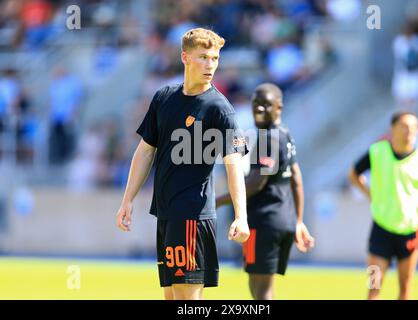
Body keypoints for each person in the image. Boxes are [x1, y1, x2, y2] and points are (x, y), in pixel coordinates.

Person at [116, 28, 250, 300]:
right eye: (203, 57)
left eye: (214, 58)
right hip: (166, 214)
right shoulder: (164, 98)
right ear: (185, 58)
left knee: (187, 302)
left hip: (192, 215)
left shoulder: (219, 108)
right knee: (171, 298)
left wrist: (241, 216)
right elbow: (145, 151)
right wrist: (127, 198)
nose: (210, 64)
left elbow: (234, 162)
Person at [216, 83, 315, 300]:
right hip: (283, 220)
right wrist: (298, 220)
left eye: (266, 105)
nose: (259, 109)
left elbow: (256, 183)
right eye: (256, 104)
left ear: (279, 107)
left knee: (261, 292)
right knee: (259, 286)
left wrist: (215, 202)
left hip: (264, 221)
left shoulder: (267, 138)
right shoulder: (285, 134)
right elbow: (296, 177)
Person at [348, 111, 418, 300]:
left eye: (414, 127)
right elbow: (353, 174)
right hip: (380, 230)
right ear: (392, 128)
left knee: (405, 289)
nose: (409, 131)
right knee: (373, 289)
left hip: (410, 231)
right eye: (404, 126)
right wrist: (369, 194)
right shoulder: (376, 152)